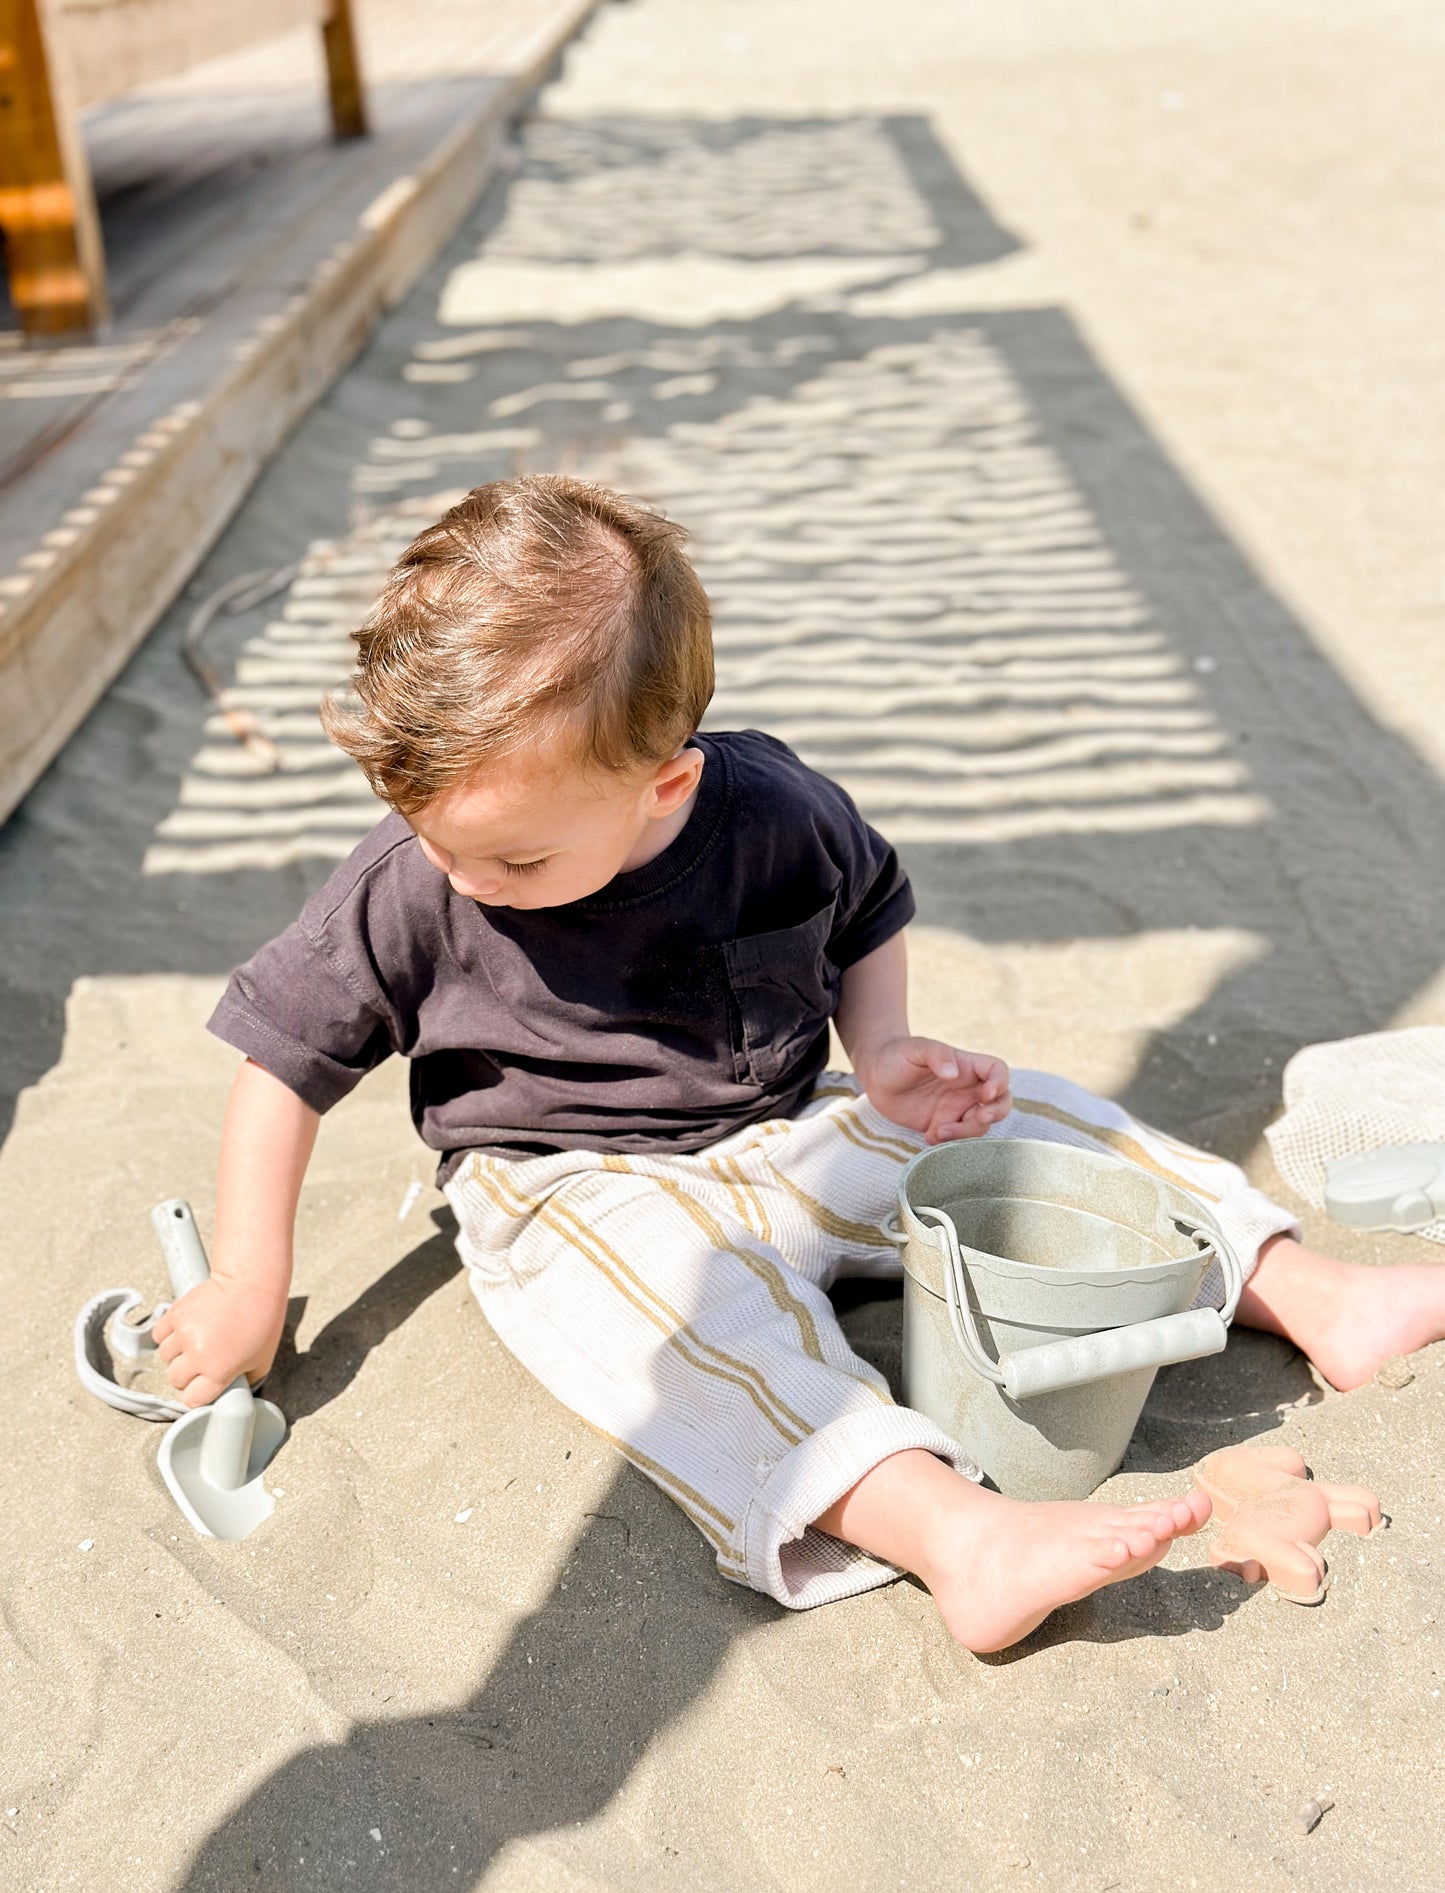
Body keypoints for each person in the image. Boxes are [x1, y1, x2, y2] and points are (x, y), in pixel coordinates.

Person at [153, 477, 1445, 1653]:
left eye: (515, 861)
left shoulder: (771, 811)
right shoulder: (407, 881)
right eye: (435, 839)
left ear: (663, 789)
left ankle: (1305, 1288)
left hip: (788, 1115)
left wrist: (881, 1056)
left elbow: (866, 905)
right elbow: (283, 1062)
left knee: (1035, 1127)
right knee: (695, 1342)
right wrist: (248, 1281)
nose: (464, 878)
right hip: (565, 1181)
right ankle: (955, 1534)